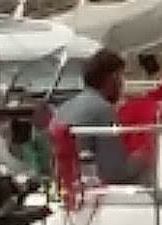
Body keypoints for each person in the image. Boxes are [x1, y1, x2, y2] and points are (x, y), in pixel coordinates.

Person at [56, 49, 139, 186]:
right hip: (92, 189)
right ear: (112, 78)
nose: (122, 84)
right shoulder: (103, 109)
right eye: (121, 77)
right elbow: (115, 172)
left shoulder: (63, 108)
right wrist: (144, 156)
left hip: (67, 186)